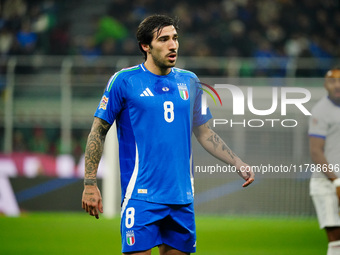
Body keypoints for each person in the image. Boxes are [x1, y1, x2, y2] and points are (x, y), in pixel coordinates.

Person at [81, 14, 254, 255]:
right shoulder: (124, 81)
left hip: (181, 198)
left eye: (175, 38)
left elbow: (204, 132)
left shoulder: (190, 81)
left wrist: (236, 161)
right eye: (163, 39)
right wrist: (90, 183)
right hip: (141, 197)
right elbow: (97, 133)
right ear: (146, 46)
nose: (173, 45)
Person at [309, 68, 340, 255]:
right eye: (332, 81)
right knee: (336, 240)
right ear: (325, 85)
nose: (337, 85)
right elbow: (316, 152)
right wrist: (335, 181)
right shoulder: (321, 111)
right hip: (327, 184)